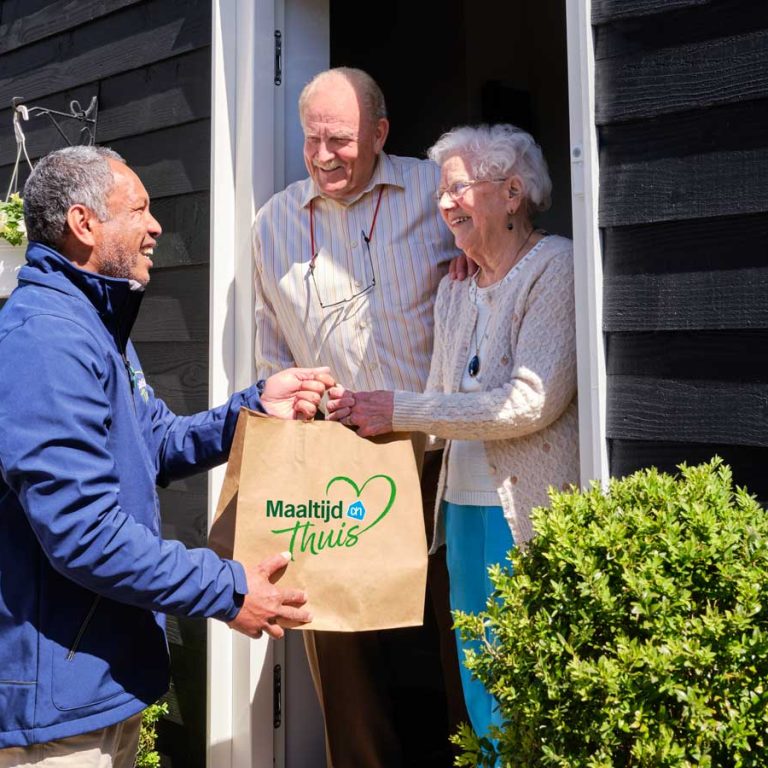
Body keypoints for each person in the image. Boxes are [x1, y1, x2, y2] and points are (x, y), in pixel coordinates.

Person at [0, 146, 334, 766]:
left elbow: (153, 444)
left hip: (100, 676)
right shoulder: (46, 337)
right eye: (140, 210)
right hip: (57, 706)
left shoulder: (95, 326)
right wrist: (229, 589)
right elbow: (82, 532)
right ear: (84, 223)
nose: (156, 227)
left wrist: (254, 408)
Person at [327, 123, 580, 748]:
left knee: (527, 689)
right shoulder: (456, 289)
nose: (445, 204)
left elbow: (529, 402)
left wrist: (398, 409)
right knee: (478, 686)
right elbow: (441, 400)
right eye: (441, 193)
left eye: (458, 189)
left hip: (525, 513)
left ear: (513, 193)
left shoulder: (557, 267)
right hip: (462, 511)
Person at [252, 67, 468, 767]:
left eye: (340, 140)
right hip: (332, 460)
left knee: (455, 633)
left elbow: (491, 265)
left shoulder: (437, 196)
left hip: (433, 450)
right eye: (312, 139)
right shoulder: (274, 222)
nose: (322, 156)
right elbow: (270, 343)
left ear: (378, 133)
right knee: (339, 643)